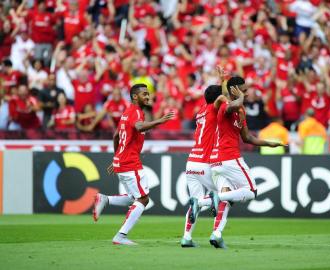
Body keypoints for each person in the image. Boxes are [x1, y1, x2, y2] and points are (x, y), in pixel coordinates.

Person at [190, 76, 286, 249]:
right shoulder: (226, 106)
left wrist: (269, 143)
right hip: (229, 158)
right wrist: (237, 95)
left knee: (226, 200)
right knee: (251, 191)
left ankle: (216, 234)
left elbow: (247, 137)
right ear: (235, 90)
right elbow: (231, 106)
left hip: (216, 162)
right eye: (244, 89)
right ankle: (212, 198)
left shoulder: (240, 110)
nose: (247, 93)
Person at [92, 83, 174, 245]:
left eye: (148, 94)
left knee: (134, 198)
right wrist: (160, 121)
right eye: (144, 94)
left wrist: (117, 157)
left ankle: (105, 199)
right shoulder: (136, 112)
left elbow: (116, 136)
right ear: (135, 96)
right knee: (143, 199)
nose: (148, 96)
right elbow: (139, 127)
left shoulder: (127, 113)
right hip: (130, 162)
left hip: (123, 161)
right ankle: (120, 236)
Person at [180, 84, 227, 248]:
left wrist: (222, 81)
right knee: (225, 196)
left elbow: (213, 97)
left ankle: (186, 237)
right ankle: (217, 234)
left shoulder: (200, 110)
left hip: (191, 161)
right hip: (204, 162)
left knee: (196, 201)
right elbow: (221, 100)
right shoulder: (214, 109)